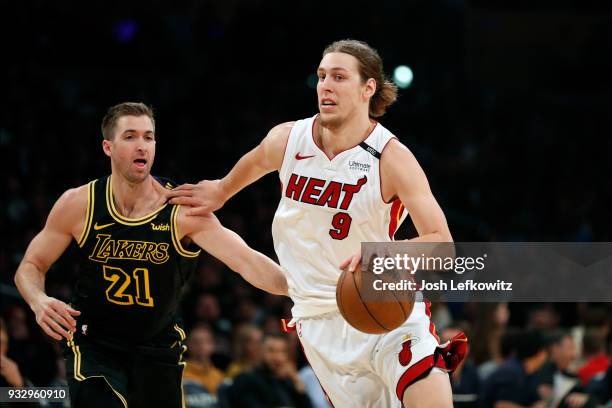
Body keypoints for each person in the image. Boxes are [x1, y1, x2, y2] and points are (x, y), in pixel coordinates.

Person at [167, 39, 466, 407]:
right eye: (322, 76)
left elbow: (443, 245)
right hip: (319, 323)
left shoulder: (391, 157)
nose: (325, 85)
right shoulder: (287, 139)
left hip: (387, 310)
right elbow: (250, 167)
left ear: (367, 88)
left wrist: (384, 253)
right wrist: (221, 191)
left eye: (339, 77)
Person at [13, 102, 288, 408]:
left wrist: (311, 290)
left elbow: (247, 262)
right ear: (108, 146)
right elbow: (31, 265)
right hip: (94, 342)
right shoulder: (79, 203)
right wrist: (38, 300)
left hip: (158, 348)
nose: (141, 146)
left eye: (148, 137)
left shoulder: (181, 209)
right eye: (130, 136)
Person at [230, 333, 312, 408]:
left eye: (282, 352)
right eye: (271, 351)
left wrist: (295, 379)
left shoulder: (287, 382)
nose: (278, 357)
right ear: (259, 351)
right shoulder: (246, 379)